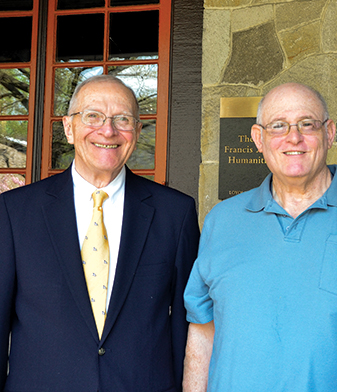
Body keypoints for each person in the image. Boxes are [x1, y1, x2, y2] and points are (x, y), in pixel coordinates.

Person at [183, 82, 337, 392]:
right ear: (258, 138)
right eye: (278, 126)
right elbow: (202, 329)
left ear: (329, 132)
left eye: (307, 124)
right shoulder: (222, 221)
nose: (294, 137)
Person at [0, 74, 200, 391]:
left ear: (136, 130)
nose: (108, 130)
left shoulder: (175, 214)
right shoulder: (13, 212)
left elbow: (187, 325)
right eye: (93, 116)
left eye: (122, 119)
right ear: (69, 128)